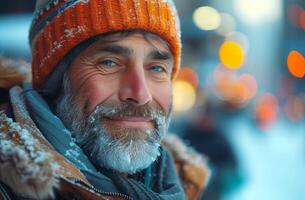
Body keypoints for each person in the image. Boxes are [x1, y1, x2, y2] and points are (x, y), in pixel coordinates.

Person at [0, 0, 209, 199]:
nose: (140, 95)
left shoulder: (185, 184)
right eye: (109, 63)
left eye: (156, 68)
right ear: (54, 82)